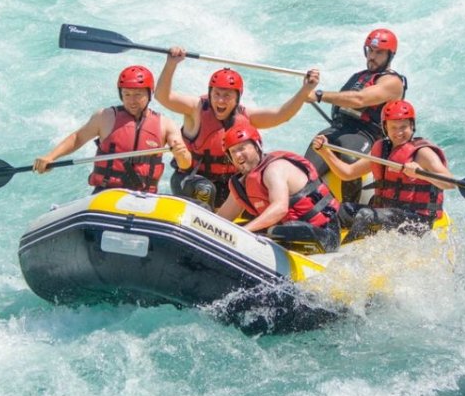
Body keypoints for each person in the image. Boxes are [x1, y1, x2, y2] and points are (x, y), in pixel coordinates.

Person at [155, 47, 320, 209]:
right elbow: (163, 96)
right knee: (204, 190)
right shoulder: (195, 109)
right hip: (191, 180)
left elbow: (281, 115)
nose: (220, 101)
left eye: (227, 96)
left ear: (237, 98)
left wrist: (305, 90)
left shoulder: (246, 116)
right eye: (217, 94)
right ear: (210, 94)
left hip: (228, 185)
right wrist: (171, 64)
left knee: (261, 186)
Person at [312, 100, 455, 242]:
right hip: (386, 214)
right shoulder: (382, 150)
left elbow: (450, 183)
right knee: (336, 210)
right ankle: (324, 242)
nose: (399, 132)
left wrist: (420, 172)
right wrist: (325, 152)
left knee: (366, 216)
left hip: (416, 220)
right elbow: (348, 173)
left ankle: (346, 253)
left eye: (403, 127)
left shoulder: (423, 153)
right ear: (385, 128)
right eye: (393, 127)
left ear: (412, 126)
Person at [33, 65, 192, 193]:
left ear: (149, 94)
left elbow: (185, 164)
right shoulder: (105, 117)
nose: (132, 101)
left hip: (144, 197)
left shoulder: (165, 124)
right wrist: (51, 156)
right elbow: (78, 138)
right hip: (106, 192)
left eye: (138, 94)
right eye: (127, 94)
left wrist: (181, 154)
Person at [304, 28, 407, 202]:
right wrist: (307, 88)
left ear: (390, 55)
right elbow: (342, 100)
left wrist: (319, 95)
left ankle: (348, 215)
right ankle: (303, 208)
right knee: (305, 171)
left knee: (350, 157)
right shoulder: (358, 76)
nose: (372, 56)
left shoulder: (393, 82)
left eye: (378, 52)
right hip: (338, 129)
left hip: (366, 136)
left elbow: (359, 99)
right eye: (370, 51)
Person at [217, 124, 341, 253]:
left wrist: (245, 232)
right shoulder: (241, 184)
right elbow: (222, 219)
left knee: (276, 231)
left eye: (242, 148)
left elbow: (280, 209)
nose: (238, 155)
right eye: (233, 152)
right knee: (229, 230)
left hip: (324, 233)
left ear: (257, 146)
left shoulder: (275, 169)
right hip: (286, 229)